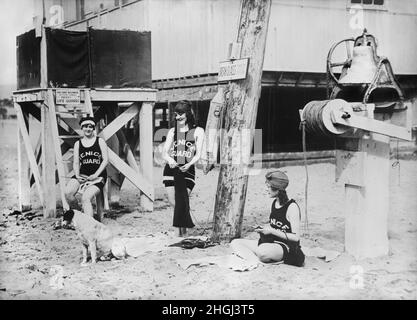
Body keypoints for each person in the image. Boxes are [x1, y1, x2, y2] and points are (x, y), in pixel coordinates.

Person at [230, 170, 305, 267]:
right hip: (272, 243)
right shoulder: (275, 203)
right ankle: (255, 261)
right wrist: (263, 229)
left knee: (262, 252)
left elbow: (295, 237)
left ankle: (256, 258)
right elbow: (276, 226)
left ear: (277, 189)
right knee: (236, 243)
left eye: (269, 187)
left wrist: (272, 231)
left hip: (288, 248)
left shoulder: (292, 207)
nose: (266, 189)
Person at [162, 100, 205, 237]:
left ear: (188, 114)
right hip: (171, 169)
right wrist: (170, 160)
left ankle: (183, 233)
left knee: (182, 201)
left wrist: (189, 163)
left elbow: (198, 153)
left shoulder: (198, 131)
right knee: (174, 202)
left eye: (180, 114)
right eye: (176, 114)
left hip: (187, 170)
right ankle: (178, 233)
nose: (177, 117)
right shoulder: (172, 131)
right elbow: (164, 152)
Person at [65, 116, 108, 221]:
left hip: (98, 176)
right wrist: (78, 175)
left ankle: (90, 224)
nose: (88, 129)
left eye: (90, 127)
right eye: (85, 126)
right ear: (81, 128)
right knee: (68, 193)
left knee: (85, 198)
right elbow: (76, 162)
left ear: (93, 128)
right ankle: (79, 212)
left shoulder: (100, 141)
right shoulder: (78, 144)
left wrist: (96, 175)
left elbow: (105, 160)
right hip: (83, 175)